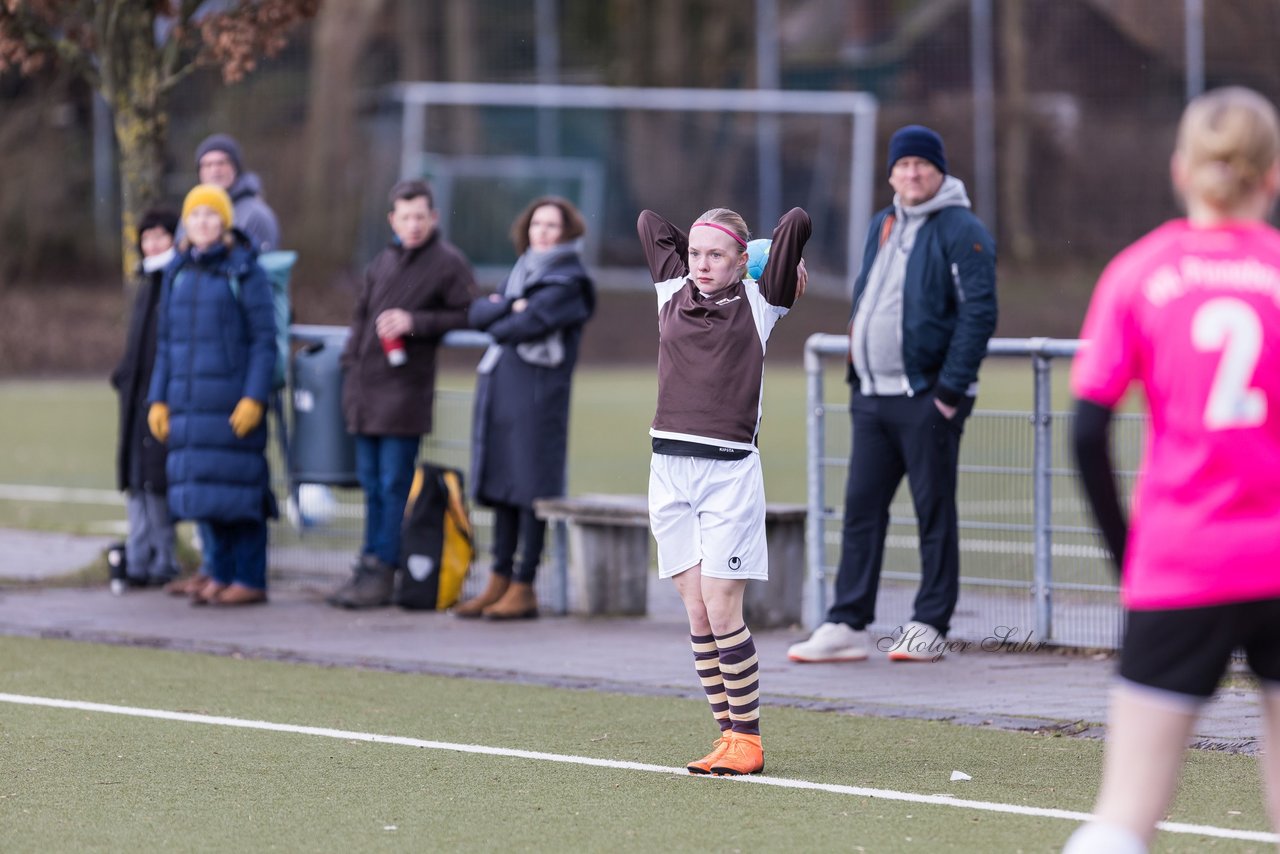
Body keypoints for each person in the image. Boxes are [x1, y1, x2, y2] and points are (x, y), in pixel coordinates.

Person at [1062, 86, 1280, 853]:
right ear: (1273, 175)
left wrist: (1131, 558)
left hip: (1183, 560)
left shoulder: (1137, 271)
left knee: (1124, 816)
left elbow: (1087, 433)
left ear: (1181, 169)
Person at [787, 124, 997, 665]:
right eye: (902, 166)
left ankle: (930, 623)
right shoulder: (883, 222)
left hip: (928, 397)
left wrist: (948, 392)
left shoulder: (962, 227)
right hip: (873, 395)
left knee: (933, 511)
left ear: (939, 170)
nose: (911, 173)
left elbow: (979, 313)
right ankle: (847, 622)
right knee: (861, 509)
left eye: (921, 165)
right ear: (891, 173)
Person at [636, 204, 811, 776]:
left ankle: (750, 741)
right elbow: (647, 222)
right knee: (696, 612)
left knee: (721, 605)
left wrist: (757, 256)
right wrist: (705, 241)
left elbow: (798, 219)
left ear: (742, 262)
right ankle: (727, 736)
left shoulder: (761, 303)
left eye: (716, 256)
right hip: (668, 468)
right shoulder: (672, 293)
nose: (702, 265)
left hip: (728, 471)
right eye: (695, 255)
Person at [325, 179, 476, 609]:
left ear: (433, 217)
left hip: (404, 395)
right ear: (392, 220)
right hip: (365, 393)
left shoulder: (448, 263)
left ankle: (385, 570)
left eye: (420, 216)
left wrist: (416, 322)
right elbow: (359, 316)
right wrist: (350, 365)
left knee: (394, 485)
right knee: (372, 485)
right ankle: (369, 564)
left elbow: (470, 313)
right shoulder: (382, 262)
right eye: (405, 217)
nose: (413, 225)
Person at [453, 196, 595, 620]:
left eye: (553, 226)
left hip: (537, 398)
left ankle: (524, 584)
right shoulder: (521, 274)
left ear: (568, 232)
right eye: (537, 225)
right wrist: (503, 309)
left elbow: (523, 325)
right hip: (504, 391)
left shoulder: (570, 281)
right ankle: (497, 579)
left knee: (531, 489)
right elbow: (477, 312)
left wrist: (503, 312)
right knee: (503, 488)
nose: (543, 233)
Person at [147, 184, 277, 607]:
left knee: (240, 494)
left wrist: (255, 397)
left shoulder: (246, 272)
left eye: (211, 215)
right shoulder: (177, 273)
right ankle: (220, 573)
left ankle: (250, 578)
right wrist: (159, 398)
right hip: (188, 404)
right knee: (207, 495)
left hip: (230, 401)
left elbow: (264, 340)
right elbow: (166, 343)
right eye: (195, 215)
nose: (203, 223)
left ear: (225, 223)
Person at [110, 206, 181, 589]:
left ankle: (163, 561)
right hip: (136, 398)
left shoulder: (175, 281)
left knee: (156, 482)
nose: (152, 244)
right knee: (136, 480)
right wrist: (123, 374)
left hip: (160, 399)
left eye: (160, 236)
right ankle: (137, 560)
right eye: (147, 238)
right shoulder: (146, 283)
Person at [192, 133, 280, 253]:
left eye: (221, 163)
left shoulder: (256, 215)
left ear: (236, 167)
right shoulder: (191, 213)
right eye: (207, 165)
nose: (215, 170)